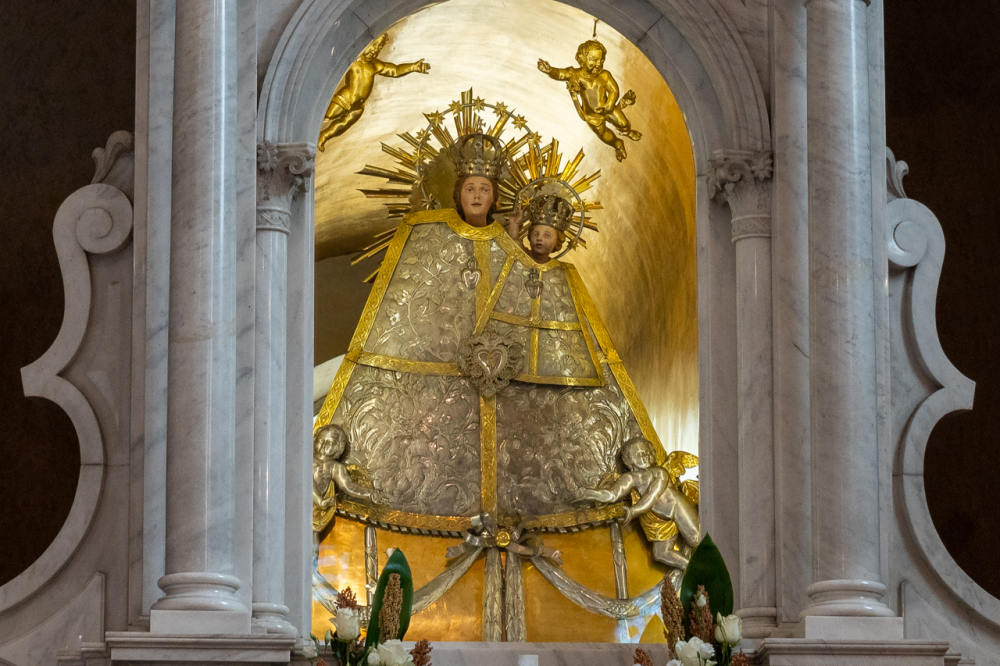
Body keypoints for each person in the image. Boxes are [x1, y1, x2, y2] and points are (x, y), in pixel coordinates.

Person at [572, 437, 700, 571]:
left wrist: (634, 511)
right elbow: (612, 494)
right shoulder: (630, 478)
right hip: (658, 520)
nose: (646, 456)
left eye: (648, 452)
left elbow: (652, 496)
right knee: (661, 553)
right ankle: (695, 570)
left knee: (696, 539)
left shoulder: (659, 472)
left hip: (677, 506)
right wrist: (587, 493)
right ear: (629, 460)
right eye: (640, 454)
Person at [317, 34, 430, 151]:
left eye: (379, 47)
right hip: (344, 100)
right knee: (327, 115)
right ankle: (310, 125)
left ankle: (323, 136)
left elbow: (395, 70)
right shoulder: (352, 60)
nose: (375, 49)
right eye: (374, 44)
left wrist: (412, 67)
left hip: (358, 108)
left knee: (342, 125)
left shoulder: (375, 65)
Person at [538, 39, 641, 161]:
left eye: (601, 60)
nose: (598, 64)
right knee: (603, 135)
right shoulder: (576, 75)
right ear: (582, 59)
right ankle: (617, 144)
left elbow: (614, 90)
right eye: (593, 59)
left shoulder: (604, 75)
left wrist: (609, 103)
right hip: (592, 116)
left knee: (623, 122)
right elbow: (561, 74)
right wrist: (550, 70)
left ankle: (627, 132)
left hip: (608, 109)